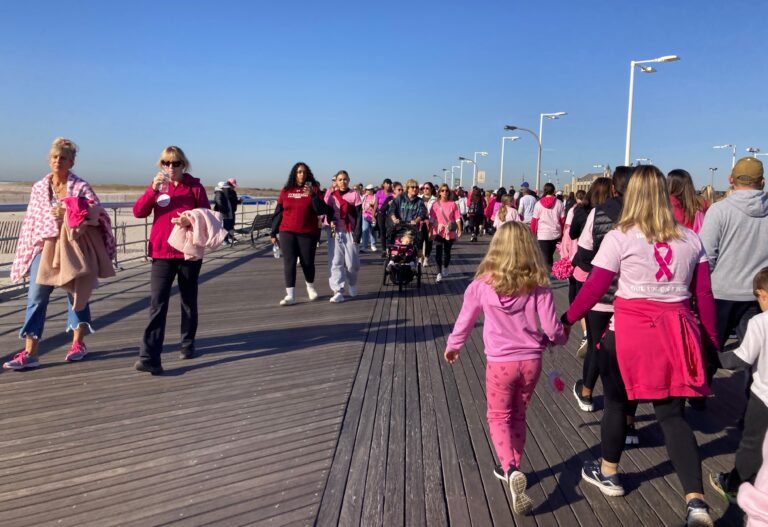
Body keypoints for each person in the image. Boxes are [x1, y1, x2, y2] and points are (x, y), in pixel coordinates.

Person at [562, 165, 718, 527]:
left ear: (631, 195)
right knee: (672, 416)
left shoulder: (621, 236)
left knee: (617, 403)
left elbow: (595, 287)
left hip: (630, 332)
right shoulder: (690, 239)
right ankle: (696, 502)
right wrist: (708, 343)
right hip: (677, 334)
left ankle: (610, 472)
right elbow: (704, 297)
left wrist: (567, 320)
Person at [444, 221, 568, 515]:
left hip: (500, 363)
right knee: (518, 414)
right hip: (531, 362)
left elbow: (464, 321)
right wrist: (561, 337)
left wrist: (453, 346)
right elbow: (552, 328)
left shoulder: (481, 286)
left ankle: (510, 469)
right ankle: (515, 464)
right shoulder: (538, 285)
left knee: (498, 416)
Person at [5, 137, 116, 370]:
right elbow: (32, 221)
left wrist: (69, 211)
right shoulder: (38, 188)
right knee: (36, 296)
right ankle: (30, 352)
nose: (58, 161)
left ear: (71, 162)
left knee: (76, 295)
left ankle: (78, 344)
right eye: (55, 157)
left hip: (73, 246)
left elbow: (97, 213)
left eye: (63, 158)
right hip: (44, 247)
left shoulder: (81, 187)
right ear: (49, 160)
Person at [132, 146, 211, 375]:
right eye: (166, 163)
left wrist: (190, 220)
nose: (170, 167)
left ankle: (187, 344)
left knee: (188, 299)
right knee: (157, 304)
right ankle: (149, 357)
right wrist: (152, 190)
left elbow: (206, 216)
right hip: (162, 253)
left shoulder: (194, 187)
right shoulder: (158, 187)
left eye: (175, 163)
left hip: (187, 253)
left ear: (183, 165)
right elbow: (139, 212)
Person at [569, 168, 632, 419]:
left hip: (602, 294)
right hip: (632, 297)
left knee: (596, 345)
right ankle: (629, 418)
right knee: (628, 354)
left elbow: (584, 253)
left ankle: (586, 392)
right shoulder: (650, 216)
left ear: (614, 189)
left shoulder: (600, 212)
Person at [699, 157, 768, 383]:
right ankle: (752, 401)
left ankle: (700, 394)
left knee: (709, 346)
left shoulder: (719, 211)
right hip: (757, 295)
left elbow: (706, 256)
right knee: (755, 352)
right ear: (763, 182)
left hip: (720, 293)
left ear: (731, 180)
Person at [710, 267, 768, 504]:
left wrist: (712, 357)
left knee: (752, 444)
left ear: (762, 294)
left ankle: (735, 485)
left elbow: (739, 359)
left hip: (763, 397)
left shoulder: (760, 322)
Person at [270, 162, 329, 306]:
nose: (301, 174)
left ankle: (310, 287)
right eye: (298, 172)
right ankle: (290, 295)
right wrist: (273, 233)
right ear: (294, 174)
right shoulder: (286, 190)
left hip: (307, 232)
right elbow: (279, 212)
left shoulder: (314, 189)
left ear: (307, 174)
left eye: (304, 172)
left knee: (307, 263)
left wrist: (313, 195)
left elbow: (321, 210)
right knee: (289, 263)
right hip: (287, 232)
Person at [568, 181, 611, 359]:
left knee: (581, 301)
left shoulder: (582, 210)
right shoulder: (615, 213)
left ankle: (588, 335)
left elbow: (573, 235)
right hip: (610, 270)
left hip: (586, 267)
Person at [325, 170, 362, 303]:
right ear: (336, 181)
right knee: (336, 262)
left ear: (349, 180)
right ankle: (338, 290)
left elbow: (359, 216)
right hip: (335, 232)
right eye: (340, 179)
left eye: (345, 179)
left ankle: (352, 283)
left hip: (350, 232)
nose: (342, 182)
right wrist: (330, 220)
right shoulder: (332, 196)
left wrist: (358, 235)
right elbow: (328, 213)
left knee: (352, 264)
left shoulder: (354, 195)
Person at [430, 184, 462, 283]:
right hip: (438, 231)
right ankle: (438, 273)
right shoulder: (435, 204)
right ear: (439, 192)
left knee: (447, 253)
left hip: (450, 232)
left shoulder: (453, 204)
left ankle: (445, 267)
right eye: (442, 190)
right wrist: (431, 230)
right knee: (438, 251)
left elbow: (457, 218)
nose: (445, 192)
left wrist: (460, 229)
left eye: (446, 190)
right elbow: (432, 219)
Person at [531, 182, 565, 268]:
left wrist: (532, 233)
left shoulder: (538, 204)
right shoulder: (559, 203)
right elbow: (562, 220)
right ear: (554, 191)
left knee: (545, 256)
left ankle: (547, 274)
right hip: (556, 233)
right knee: (549, 255)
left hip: (543, 234)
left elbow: (535, 221)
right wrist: (563, 233)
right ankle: (548, 271)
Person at [389, 179, 427, 247]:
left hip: (412, 227)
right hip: (400, 226)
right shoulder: (400, 198)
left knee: (413, 246)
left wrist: (416, 220)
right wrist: (394, 219)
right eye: (412, 187)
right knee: (392, 240)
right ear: (408, 188)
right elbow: (392, 209)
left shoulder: (419, 201)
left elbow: (423, 213)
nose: (415, 189)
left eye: (416, 187)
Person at [375, 178, 394, 253]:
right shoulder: (379, 192)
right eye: (387, 183)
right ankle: (383, 250)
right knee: (382, 232)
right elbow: (376, 203)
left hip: (390, 215)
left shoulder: (393, 194)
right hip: (381, 214)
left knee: (389, 232)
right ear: (383, 184)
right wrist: (373, 215)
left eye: (390, 183)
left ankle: (389, 248)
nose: (388, 185)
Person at [420, 182, 437, 265]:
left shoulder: (435, 200)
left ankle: (426, 258)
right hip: (420, 223)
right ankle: (420, 257)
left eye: (427, 188)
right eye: (424, 188)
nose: (425, 190)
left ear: (431, 189)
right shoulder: (419, 198)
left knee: (429, 241)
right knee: (419, 241)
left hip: (431, 223)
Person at [361, 184, 378, 252]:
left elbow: (377, 206)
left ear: (372, 190)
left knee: (373, 231)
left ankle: (373, 245)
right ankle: (364, 246)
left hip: (373, 216)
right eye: (366, 189)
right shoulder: (364, 196)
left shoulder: (375, 197)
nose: (367, 191)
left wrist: (373, 206)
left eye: (368, 190)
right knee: (365, 230)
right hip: (365, 215)